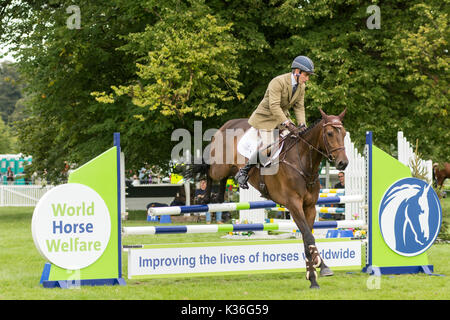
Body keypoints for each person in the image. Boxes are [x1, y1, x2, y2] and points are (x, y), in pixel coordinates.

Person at [235, 55, 315, 189]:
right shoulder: (277, 82)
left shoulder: (301, 87)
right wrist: (287, 123)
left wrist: (302, 125)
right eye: (306, 75)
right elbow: (274, 106)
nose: (307, 78)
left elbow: (299, 107)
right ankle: (244, 171)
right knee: (268, 146)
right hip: (265, 118)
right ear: (297, 71)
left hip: (281, 118)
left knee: (293, 140)